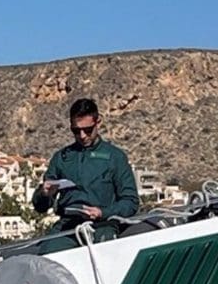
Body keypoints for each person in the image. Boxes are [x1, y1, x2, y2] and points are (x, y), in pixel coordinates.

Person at [32, 98, 140, 251]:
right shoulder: (61, 158)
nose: (82, 136)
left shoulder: (115, 157)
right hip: (67, 227)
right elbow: (40, 206)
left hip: (104, 225)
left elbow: (130, 202)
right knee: (46, 256)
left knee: (105, 254)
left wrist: (103, 212)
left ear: (98, 122)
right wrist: (44, 193)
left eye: (87, 130)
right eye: (76, 131)